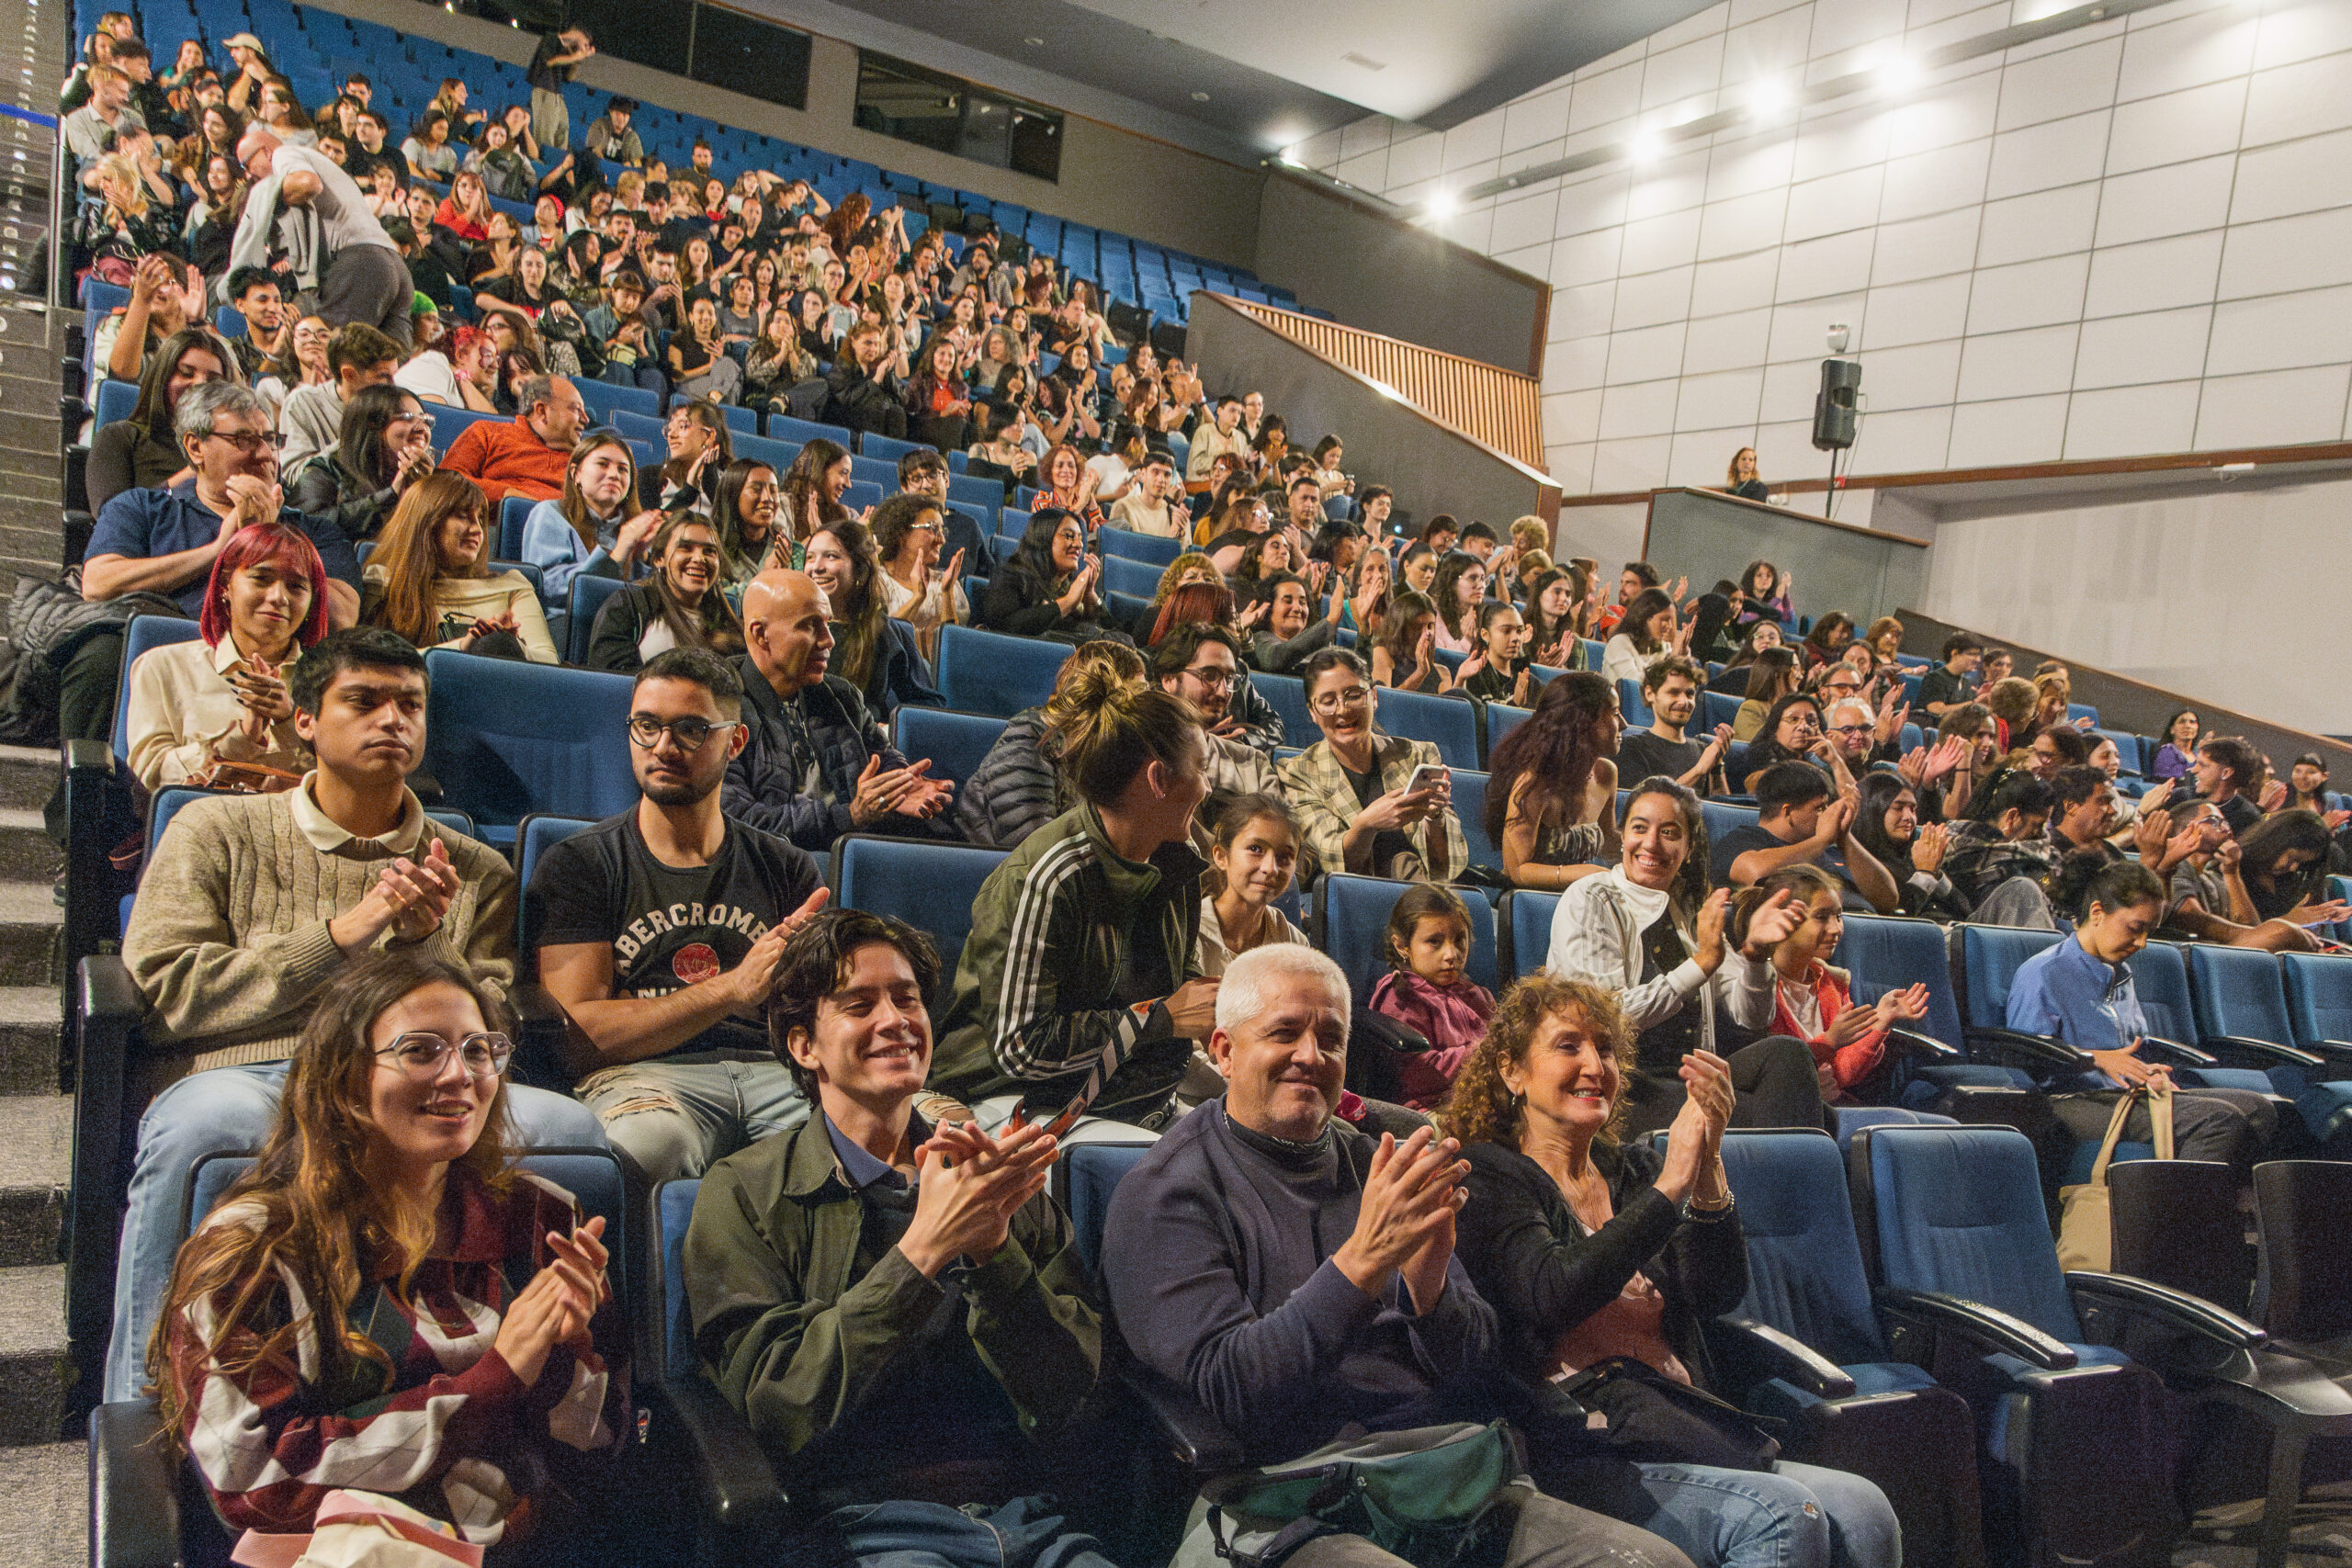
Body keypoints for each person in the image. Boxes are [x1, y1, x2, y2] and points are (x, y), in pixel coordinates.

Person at [108, 627, 605, 1402]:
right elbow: (166, 990)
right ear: (305, 719)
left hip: (417, 1079)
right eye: (364, 701)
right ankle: (144, 1407)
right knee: (200, 1128)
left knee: (574, 1129)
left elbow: (491, 1019)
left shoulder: (476, 868)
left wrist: (424, 942)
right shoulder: (213, 829)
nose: (393, 720)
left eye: (410, 704)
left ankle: (549, 1393)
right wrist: (343, 935)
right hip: (255, 1071)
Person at [1102, 944, 1699, 1568]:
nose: (1311, 1055)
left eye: (1331, 1039)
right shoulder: (1166, 1191)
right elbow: (1233, 1391)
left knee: (1657, 1564)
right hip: (1280, 1498)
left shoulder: (1375, 1163)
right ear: (1224, 1051)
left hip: (1436, 1477)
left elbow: (1477, 1367)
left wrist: (1430, 1290)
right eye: (1284, 1033)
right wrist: (1361, 1263)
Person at [153, 950, 627, 1548]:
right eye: (421, 1050)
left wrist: (565, 1354)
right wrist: (494, 1380)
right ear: (347, 1079)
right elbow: (257, 1482)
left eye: (478, 1050)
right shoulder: (253, 1249)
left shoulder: (546, 1219)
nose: (460, 1074)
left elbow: (602, 1455)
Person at [685, 904, 1110, 1568]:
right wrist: (923, 1251)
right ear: (804, 1046)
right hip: (861, 1529)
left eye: (908, 999)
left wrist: (994, 1251)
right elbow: (777, 1408)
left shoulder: (991, 1177)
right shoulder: (744, 1192)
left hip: (1028, 1519)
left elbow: (1070, 1393)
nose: (896, 1020)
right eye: (860, 1005)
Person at [1444, 976, 1903, 1568]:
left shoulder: (1627, 1169)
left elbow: (1715, 1293)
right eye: (1568, 1046)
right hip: (1580, 1446)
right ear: (1512, 1071)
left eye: (1605, 1048)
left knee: (1866, 1511)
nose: (1595, 1066)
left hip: (1678, 1422)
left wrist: (1708, 1165)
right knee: (1784, 1515)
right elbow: (1551, 1292)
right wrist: (1671, 1185)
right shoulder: (1489, 1173)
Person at [533, 647, 831, 1183]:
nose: (663, 747)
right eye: (646, 726)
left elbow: (816, 1019)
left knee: (869, 1134)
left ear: (735, 742)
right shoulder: (580, 864)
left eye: (691, 730)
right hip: (644, 1077)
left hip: (775, 1074)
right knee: (653, 1144)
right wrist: (732, 988)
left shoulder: (786, 866)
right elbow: (579, 1037)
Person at [927, 666, 1219, 1129]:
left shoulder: (1179, 859)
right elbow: (1020, 1049)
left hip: (1129, 1090)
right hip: (1013, 1095)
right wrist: (1157, 1020)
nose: (1207, 787)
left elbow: (1185, 991)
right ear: (1158, 779)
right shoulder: (1048, 877)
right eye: (1201, 769)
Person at [1544, 776, 1822, 1139]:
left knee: (1787, 1056)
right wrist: (1700, 964)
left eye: (1669, 833)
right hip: (1618, 1082)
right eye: (1639, 828)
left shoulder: (1688, 908)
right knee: (1791, 1114)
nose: (1651, 843)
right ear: (1623, 836)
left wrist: (1756, 957)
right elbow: (1603, 1018)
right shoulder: (1592, 898)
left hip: (1689, 1076)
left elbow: (1751, 1017)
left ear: (1689, 847)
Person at [2006, 860, 2275, 1179]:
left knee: (2258, 1109)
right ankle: (2179, 1209)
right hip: (2068, 1100)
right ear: (2097, 913)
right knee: (2218, 1118)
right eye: (2135, 928)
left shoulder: (2121, 974)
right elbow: (2025, 1058)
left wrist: (2148, 1073)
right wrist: (2094, 1059)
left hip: (2124, 1094)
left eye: (2149, 932)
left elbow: (2133, 1048)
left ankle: (2217, 1202)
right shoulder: (2043, 972)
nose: (2142, 943)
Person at [722, 568, 956, 852]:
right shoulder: (719, 706)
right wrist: (849, 815)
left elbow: (881, 756)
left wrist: (899, 785)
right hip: (776, 861)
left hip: (854, 845)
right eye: (810, 626)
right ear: (760, 634)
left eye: (827, 624)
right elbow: (738, 821)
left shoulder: (841, 695)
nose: (829, 640)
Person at [123, 522, 328, 792]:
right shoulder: (162, 666)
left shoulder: (332, 683)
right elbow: (152, 774)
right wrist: (242, 737)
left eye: (296, 586)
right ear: (224, 587)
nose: (279, 597)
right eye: (261, 579)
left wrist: (289, 723)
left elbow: (346, 783)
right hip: (195, 814)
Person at [1739, 863, 1931, 1106]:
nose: (1836, 929)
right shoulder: (1756, 987)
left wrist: (1882, 1020)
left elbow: (1843, 1074)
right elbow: (1774, 1067)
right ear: (1785, 918)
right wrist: (1828, 1042)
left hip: (1832, 1105)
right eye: (1822, 917)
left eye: (1838, 916)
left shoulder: (1832, 983)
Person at [1279, 649, 1469, 883]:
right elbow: (1331, 859)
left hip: (1421, 891)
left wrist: (1434, 818)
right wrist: (1366, 825)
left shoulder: (1417, 756)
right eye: (1328, 702)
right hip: (1353, 896)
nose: (1343, 709)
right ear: (1313, 712)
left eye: (1354, 695)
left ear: (1374, 697)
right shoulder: (1297, 773)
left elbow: (1448, 866)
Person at [232, 125, 413, 346]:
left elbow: (309, 183)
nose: (248, 174)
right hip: (394, 264)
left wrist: (265, 199)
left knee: (324, 346)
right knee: (390, 358)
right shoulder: (323, 165)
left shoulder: (284, 154)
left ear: (266, 152)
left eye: (246, 164)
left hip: (360, 261)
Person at [360, 472, 560, 663]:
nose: (477, 529)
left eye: (480, 519)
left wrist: (507, 644)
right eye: (463, 516)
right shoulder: (383, 582)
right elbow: (371, 660)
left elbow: (549, 663)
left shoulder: (512, 585)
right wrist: (462, 647)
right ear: (427, 523)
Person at [955, 641, 1137, 849]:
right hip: (996, 864)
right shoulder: (1032, 735)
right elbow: (1031, 844)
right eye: (1138, 693)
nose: (1144, 707)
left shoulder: (1112, 753)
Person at [1486, 671, 1621, 892]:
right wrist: (1583, 874)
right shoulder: (1534, 784)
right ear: (1583, 722)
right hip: (1531, 900)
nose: (1623, 724)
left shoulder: (1606, 773)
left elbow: (1610, 843)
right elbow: (1516, 870)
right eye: (1615, 713)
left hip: (1581, 898)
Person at [1368, 883, 1497, 1111]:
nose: (1451, 954)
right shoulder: (1401, 996)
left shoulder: (1478, 996)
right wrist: (1488, 1052)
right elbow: (1417, 1074)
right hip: (1431, 1110)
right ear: (1402, 945)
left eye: (1459, 940)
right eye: (1434, 942)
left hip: (1485, 1104)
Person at [1712, 761, 1899, 913]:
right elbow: (1756, 872)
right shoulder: (1740, 840)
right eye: (1819, 808)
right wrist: (1821, 840)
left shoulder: (1832, 851)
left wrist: (1845, 838)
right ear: (1788, 812)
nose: (1827, 815)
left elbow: (1888, 899)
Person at [803, 517, 940, 719]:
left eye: (831, 556)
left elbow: (927, 708)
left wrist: (890, 726)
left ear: (859, 569)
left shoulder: (884, 632)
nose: (816, 567)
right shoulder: (793, 628)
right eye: (810, 558)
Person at [88, 326, 234, 514]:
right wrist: (192, 475)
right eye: (186, 373)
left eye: (213, 380)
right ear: (162, 377)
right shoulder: (119, 437)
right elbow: (112, 517)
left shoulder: (232, 448)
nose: (200, 384)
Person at [586, 512, 748, 673]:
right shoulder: (627, 607)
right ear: (659, 559)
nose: (699, 558)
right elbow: (611, 680)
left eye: (709, 551)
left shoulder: (727, 623)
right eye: (685, 548)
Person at [1148, 623, 1283, 807]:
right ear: (1169, 680)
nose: (1223, 692)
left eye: (1229, 678)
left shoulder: (1251, 762)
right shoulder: (1146, 756)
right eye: (1210, 675)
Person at [521, 430, 662, 604]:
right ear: (576, 474)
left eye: (623, 469)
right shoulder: (550, 513)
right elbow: (548, 587)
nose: (614, 475)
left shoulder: (633, 529)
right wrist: (617, 555)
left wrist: (642, 557)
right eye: (603, 464)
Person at [285, 382, 438, 540]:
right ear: (372, 425)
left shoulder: (432, 477)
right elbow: (302, 527)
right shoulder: (326, 470)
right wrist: (391, 495)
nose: (422, 428)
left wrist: (427, 491)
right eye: (408, 417)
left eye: (425, 419)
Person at [1197, 793, 1309, 974]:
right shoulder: (1189, 935)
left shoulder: (1293, 943)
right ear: (1221, 856)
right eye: (1255, 849)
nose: (1270, 868)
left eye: (1284, 856)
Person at [437, 370, 585, 506]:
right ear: (541, 411)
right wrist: (508, 496)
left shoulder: (585, 461)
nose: (586, 419)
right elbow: (445, 481)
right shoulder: (487, 433)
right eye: (576, 410)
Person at [983, 509, 1124, 644]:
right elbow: (1001, 627)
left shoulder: (1072, 586)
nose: (1079, 545)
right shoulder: (1009, 576)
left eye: (1080, 538)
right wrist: (1066, 603)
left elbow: (1115, 635)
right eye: (1069, 536)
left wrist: (1090, 594)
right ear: (1043, 538)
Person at [277, 321, 402, 474]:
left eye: (395, 376)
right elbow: (293, 475)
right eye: (384, 376)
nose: (394, 386)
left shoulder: (396, 405)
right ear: (349, 375)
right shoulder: (302, 403)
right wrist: (357, 438)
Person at [1941, 773, 2060, 924]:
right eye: (2037, 825)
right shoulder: (1948, 851)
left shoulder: (2046, 863)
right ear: (2012, 818)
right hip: (1971, 933)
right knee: (2023, 888)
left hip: (2021, 935)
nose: (2042, 835)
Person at [870, 491, 967, 665]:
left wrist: (946, 593)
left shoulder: (945, 582)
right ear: (901, 534)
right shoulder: (875, 581)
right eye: (933, 528)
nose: (942, 540)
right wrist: (917, 598)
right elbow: (877, 640)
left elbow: (953, 655)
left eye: (942, 530)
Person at [1616, 655, 1731, 795]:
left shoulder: (1703, 750)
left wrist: (1717, 764)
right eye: (1673, 693)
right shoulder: (1631, 748)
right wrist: (1698, 770)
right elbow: (1644, 802)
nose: (1684, 701)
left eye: (1689, 694)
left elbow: (1719, 804)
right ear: (1650, 694)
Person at [526, 23, 594, 152]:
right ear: (579, 34)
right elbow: (550, 61)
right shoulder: (551, 38)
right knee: (545, 133)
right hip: (544, 89)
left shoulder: (568, 51)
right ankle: (543, 157)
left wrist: (578, 60)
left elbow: (569, 77)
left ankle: (558, 156)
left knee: (562, 129)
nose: (585, 47)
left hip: (556, 93)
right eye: (585, 43)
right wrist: (575, 56)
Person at [1458, 600, 1535, 706]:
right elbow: (1481, 715)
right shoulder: (1474, 676)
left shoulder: (1528, 679)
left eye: (1519, 631)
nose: (1516, 638)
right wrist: (1515, 703)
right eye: (1506, 631)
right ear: (1485, 635)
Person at [1602, 589, 1684, 687]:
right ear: (1645, 618)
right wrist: (1673, 658)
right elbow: (1635, 685)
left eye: (1671, 620)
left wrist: (1683, 652)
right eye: (1665, 619)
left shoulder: (1661, 646)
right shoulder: (1619, 642)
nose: (1670, 626)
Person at [2192, 735, 2265, 838]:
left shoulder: (2248, 819)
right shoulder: (2180, 796)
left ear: (2226, 773)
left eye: (2203, 765)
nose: (2193, 770)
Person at [1110, 447, 1189, 537]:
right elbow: (1126, 545)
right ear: (1142, 475)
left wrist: (1179, 534)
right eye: (1155, 472)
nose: (1161, 480)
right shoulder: (1123, 507)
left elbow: (1186, 547)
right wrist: (1172, 536)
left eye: (1167, 475)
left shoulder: (1176, 515)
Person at [1728, 649, 1799, 742]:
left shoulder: (1799, 708)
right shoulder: (1751, 708)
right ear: (1777, 674)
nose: (1800, 676)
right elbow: (1760, 743)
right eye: (1795, 668)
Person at [1914, 633, 1982, 719]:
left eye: (1978, 655)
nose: (1978, 659)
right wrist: (1974, 703)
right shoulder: (1935, 678)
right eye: (1972, 654)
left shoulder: (1966, 683)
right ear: (1955, 653)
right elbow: (1936, 710)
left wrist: (1980, 697)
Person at [2151, 709, 2199, 782]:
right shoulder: (2166, 753)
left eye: (2192, 722)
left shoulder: (2199, 755)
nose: (2188, 726)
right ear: (2172, 730)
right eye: (2182, 722)